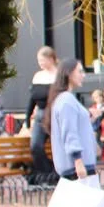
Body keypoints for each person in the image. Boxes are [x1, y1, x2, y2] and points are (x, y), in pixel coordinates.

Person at [48, 59, 102, 207]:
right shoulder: (67, 100)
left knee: (71, 204)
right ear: (69, 73)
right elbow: (69, 133)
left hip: (72, 161)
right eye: (80, 71)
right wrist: (78, 159)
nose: (83, 75)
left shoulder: (63, 100)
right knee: (89, 203)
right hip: (77, 162)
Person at [26, 46, 58, 185]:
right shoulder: (38, 76)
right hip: (39, 113)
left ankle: (57, 174)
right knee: (35, 146)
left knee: (57, 146)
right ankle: (46, 172)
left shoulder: (58, 75)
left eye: (43, 60)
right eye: (39, 60)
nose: (41, 63)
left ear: (51, 59)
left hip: (54, 114)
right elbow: (32, 98)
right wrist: (27, 118)